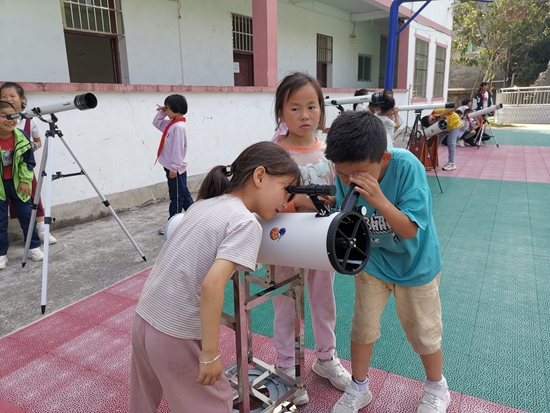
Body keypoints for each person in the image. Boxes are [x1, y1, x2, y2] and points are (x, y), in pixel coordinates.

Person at [129, 141, 302, 413]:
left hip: (144, 319)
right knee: (215, 402)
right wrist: (209, 354)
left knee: (143, 404)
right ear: (259, 176)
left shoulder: (204, 205)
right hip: (175, 334)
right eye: (286, 190)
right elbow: (212, 285)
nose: (288, 201)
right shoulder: (245, 223)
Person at [324, 111, 447, 413]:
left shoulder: (407, 168)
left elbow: (408, 229)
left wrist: (379, 199)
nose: (349, 181)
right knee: (362, 328)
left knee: (423, 332)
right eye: (342, 174)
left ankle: (436, 387)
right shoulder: (344, 172)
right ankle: (359, 387)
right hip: (373, 263)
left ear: (384, 159)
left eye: (358, 174)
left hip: (415, 264)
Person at [272, 72, 351, 405]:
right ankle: (286, 366)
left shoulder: (329, 151)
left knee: (323, 300)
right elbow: (267, 200)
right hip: (286, 242)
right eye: (294, 108)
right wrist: (296, 203)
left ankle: (325, 357)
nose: (304, 116)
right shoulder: (273, 153)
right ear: (281, 113)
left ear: (321, 108)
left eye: (311, 106)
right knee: (286, 305)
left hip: (322, 243)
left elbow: (342, 191)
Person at [0, 82, 57, 244]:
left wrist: (27, 149)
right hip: (3, 174)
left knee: (31, 198)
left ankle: (41, 230)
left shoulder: (29, 119)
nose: (8, 99)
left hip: (23, 168)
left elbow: (38, 142)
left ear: (21, 99)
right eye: (3, 97)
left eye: (12, 96)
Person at [0, 101, 44, 269]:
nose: (10, 119)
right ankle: (1, 254)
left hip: (19, 184)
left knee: (27, 215)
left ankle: (33, 247)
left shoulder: (21, 136)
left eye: (13, 116)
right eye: (4, 116)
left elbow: (28, 161)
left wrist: (26, 181)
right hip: (0, 185)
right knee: (0, 220)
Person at [153, 94, 194, 235]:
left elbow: (178, 150)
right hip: (171, 168)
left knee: (176, 198)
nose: (166, 112)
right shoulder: (171, 125)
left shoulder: (178, 127)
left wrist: (174, 168)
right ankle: (197, 219)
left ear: (175, 109)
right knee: (185, 197)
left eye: (168, 109)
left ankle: (172, 225)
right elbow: (156, 123)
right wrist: (162, 111)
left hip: (175, 170)